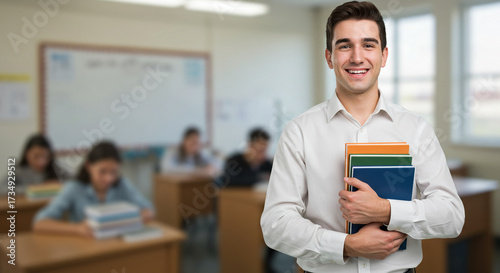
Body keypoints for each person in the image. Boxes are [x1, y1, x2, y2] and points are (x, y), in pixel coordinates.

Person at [260, 2, 465, 273]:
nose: (357, 57)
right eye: (345, 45)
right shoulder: (299, 131)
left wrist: (385, 210)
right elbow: (276, 224)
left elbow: (452, 216)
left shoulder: (416, 129)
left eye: (368, 45)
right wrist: (345, 245)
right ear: (329, 57)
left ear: (384, 55)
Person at [33, 141, 154, 237]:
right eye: (102, 172)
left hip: (115, 245)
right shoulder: (74, 188)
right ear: (88, 166)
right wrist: (78, 229)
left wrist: (125, 221)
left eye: (114, 172)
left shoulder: (122, 184)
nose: (109, 178)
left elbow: (148, 210)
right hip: (85, 249)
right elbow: (40, 223)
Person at [1, 134, 68, 195]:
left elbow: (75, 183)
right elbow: (2, 189)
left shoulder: (56, 169)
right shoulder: (18, 172)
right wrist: (35, 189)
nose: (42, 162)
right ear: (26, 154)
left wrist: (59, 185)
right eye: (36, 156)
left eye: (45, 157)